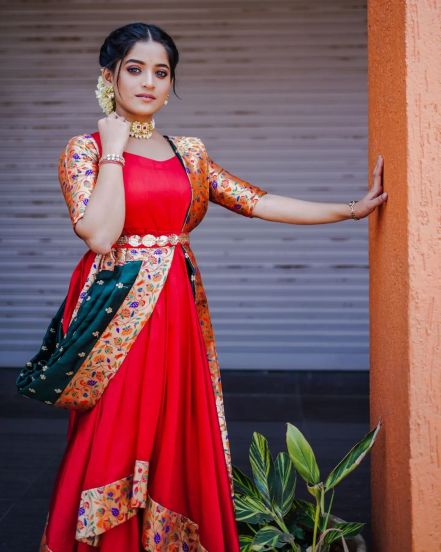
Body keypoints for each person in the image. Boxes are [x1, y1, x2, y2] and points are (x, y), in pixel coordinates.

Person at [36, 21, 387, 552]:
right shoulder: (82, 151)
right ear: (109, 76)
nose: (149, 82)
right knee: (114, 429)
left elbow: (257, 201)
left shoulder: (189, 154)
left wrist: (351, 210)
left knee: (175, 428)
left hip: (176, 309)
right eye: (135, 69)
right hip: (114, 315)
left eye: (161, 72)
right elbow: (101, 232)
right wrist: (112, 146)